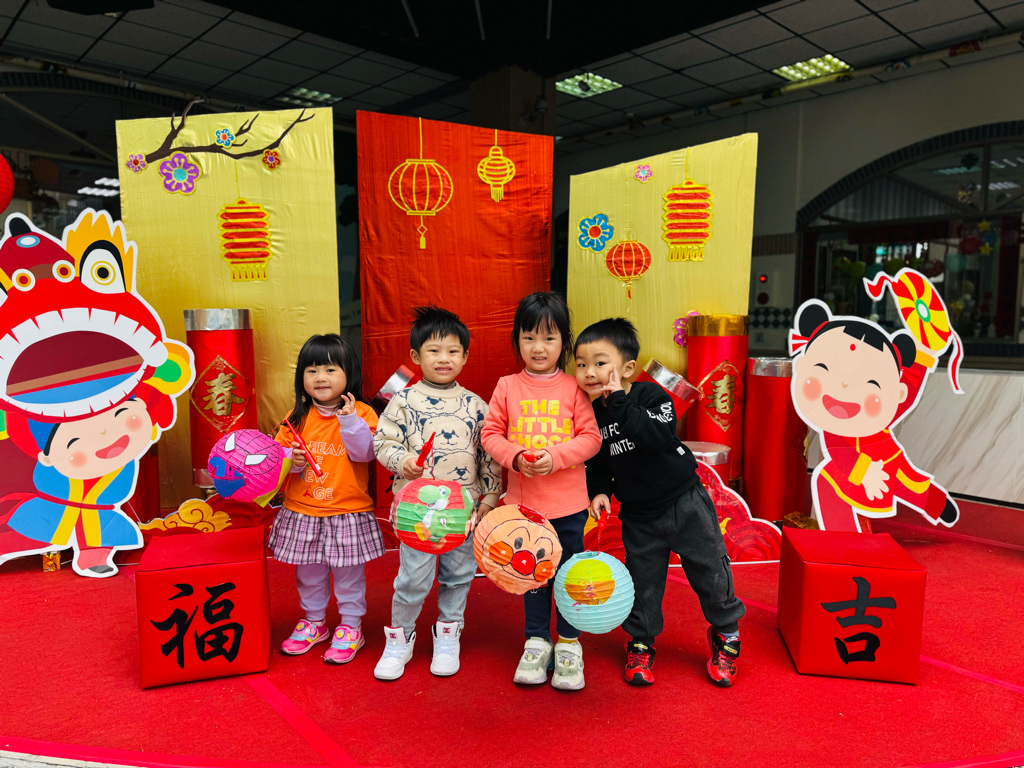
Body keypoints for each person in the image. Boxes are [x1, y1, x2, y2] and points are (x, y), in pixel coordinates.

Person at [575, 318, 746, 687]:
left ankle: (727, 634)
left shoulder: (653, 398)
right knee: (643, 582)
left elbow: (656, 437)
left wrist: (619, 402)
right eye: (581, 364)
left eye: (600, 363)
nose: (589, 372)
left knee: (711, 572)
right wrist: (599, 490)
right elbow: (598, 462)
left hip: (685, 502)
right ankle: (640, 642)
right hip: (640, 516)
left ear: (627, 369)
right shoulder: (592, 416)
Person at [372, 306, 501, 680]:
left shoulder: (476, 405)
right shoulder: (403, 400)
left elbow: (489, 456)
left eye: (452, 351)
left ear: (465, 356)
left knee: (459, 575)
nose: (444, 358)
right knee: (413, 579)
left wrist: (489, 498)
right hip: (418, 511)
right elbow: (383, 442)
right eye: (434, 350)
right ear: (416, 356)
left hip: (463, 510)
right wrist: (404, 463)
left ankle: (448, 632)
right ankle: (400, 638)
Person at [481, 292, 601, 690]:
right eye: (529, 337)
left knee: (566, 576)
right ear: (517, 339)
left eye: (549, 338)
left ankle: (568, 643)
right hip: (525, 508)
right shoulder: (507, 386)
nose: (538, 347)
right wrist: (515, 458)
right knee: (531, 575)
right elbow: (490, 434)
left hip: (568, 506)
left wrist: (557, 457)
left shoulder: (573, 387)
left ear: (563, 342)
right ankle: (536, 641)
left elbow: (591, 438)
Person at [789, 299, 959, 532]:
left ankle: (938, 504)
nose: (844, 387)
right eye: (824, 371)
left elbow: (909, 388)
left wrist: (923, 354)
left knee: (913, 487)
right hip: (861, 470)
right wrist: (865, 472)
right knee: (827, 482)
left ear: (896, 393)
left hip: (888, 458)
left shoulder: (883, 410)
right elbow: (840, 452)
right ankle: (844, 537)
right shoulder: (836, 423)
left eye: (870, 383)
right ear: (801, 367)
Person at [270, 334, 384, 665]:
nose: (320, 378)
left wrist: (348, 420)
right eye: (312, 370)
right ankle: (314, 622)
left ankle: (350, 627)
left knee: (349, 576)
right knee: (308, 574)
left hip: (347, 510)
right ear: (301, 377)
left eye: (330, 369)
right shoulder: (295, 416)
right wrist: (291, 460)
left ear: (350, 374)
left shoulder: (362, 412)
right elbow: (277, 463)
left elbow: (365, 453)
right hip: (303, 510)